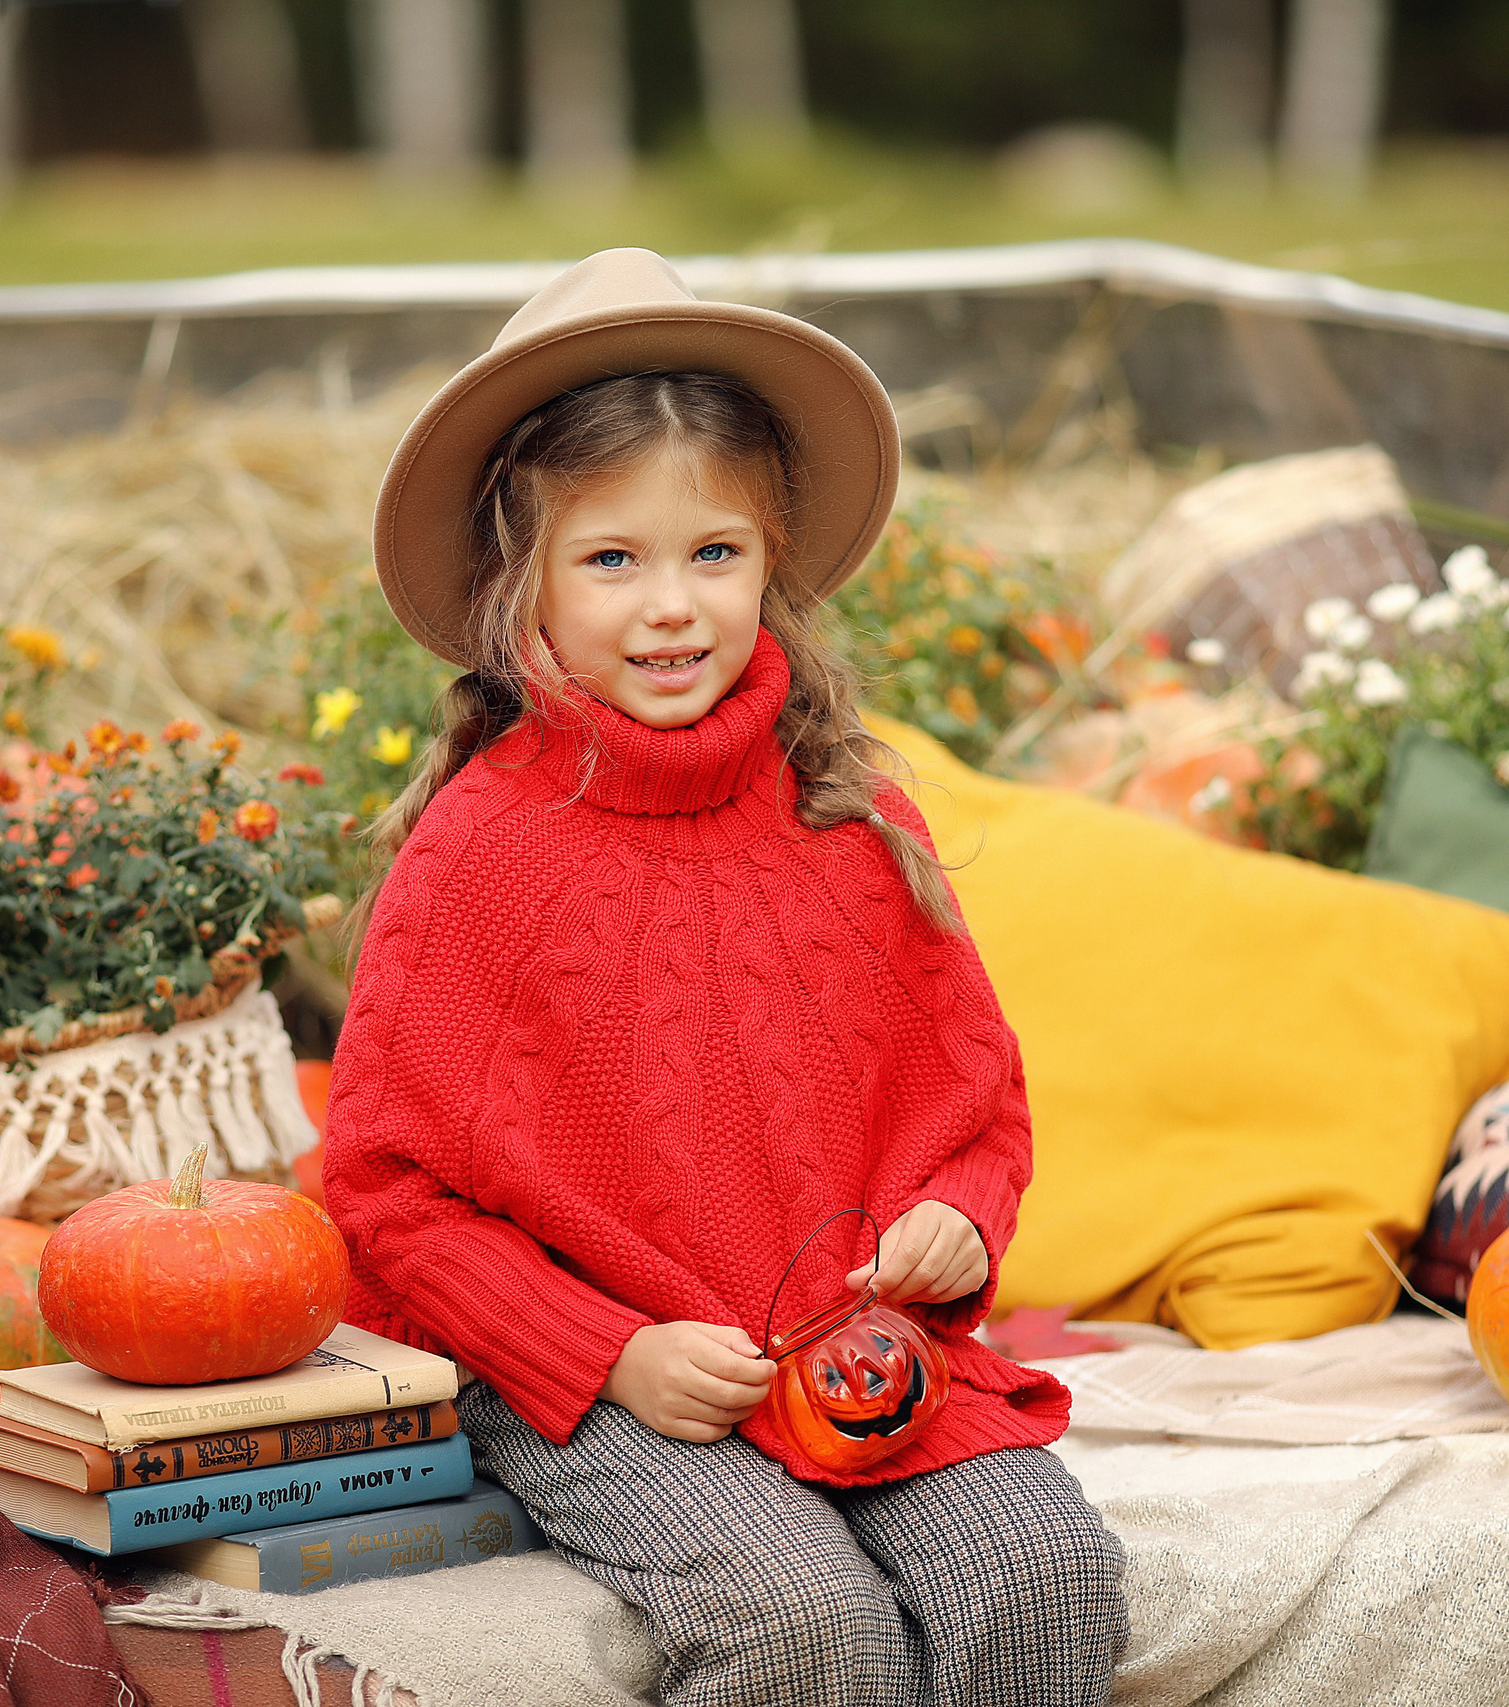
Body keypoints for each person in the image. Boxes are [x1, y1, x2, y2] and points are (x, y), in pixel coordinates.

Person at [322, 248, 1125, 1707]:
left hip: (853, 1344)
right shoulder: (486, 853)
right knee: (797, 1620)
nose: (671, 607)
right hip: (608, 1383)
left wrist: (956, 1216)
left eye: (714, 554)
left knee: (1042, 1573)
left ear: (773, 560)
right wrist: (609, 1352)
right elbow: (389, 1189)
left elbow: (972, 1098)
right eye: (610, 560)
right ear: (522, 582)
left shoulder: (848, 814)